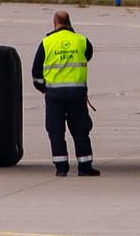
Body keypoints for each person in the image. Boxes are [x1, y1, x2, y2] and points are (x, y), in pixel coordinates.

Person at [31, 9, 98, 175]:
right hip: (77, 94)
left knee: (56, 131)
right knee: (81, 130)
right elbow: (88, 55)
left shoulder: (46, 43)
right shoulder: (81, 41)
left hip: (54, 96)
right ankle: (85, 167)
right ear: (70, 23)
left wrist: (44, 89)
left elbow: (36, 74)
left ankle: (61, 168)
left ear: (55, 24)